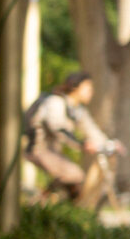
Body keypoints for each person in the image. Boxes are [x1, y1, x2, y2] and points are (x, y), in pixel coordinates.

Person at [26, 71, 118, 207]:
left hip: (52, 150)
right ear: (75, 87)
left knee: (73, 178)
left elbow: (90, 129)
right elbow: (58, 129)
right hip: (38, 149)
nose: (91, 92)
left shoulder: (76, 109)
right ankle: (42, 206)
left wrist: (109, 144)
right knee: (75, 175)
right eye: (88, 88)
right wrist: (82, 144)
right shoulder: (55, 102)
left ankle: (51, 203)